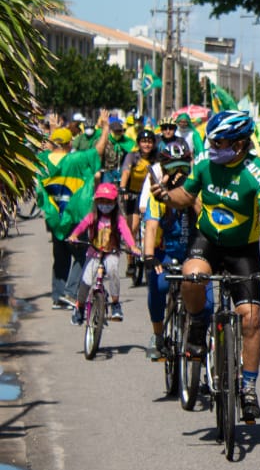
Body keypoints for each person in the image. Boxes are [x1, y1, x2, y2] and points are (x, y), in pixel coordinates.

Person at [152, 110, 260, 423]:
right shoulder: (204, 163)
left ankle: (249, 387)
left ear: (240, 144)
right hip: (208, 239)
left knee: (251, 319)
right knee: (192, 276)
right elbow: (185, 197)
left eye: (220, 141)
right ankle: (198, 323)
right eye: (211, 140)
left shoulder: (259, 173)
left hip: (243, 249)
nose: (213, 146)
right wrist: (166, 196)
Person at [141, 138, 211, 360]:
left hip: (195, 252)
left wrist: (188, 196)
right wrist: (149, 257)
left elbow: (204, 217)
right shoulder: (158, 195)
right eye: (172, 169)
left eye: (183, 168)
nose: (178, 174)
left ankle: (199, 340)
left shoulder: (197, 189)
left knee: (208, 302)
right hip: (167, 253)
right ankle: (158, 334)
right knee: (159, 285)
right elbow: (151, 228)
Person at [37, 114, 111, 309]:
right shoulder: (76, 159)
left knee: (60, 256)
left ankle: (58, 295)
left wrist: (52, 131)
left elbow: (48, 147)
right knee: (80, 256)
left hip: (54, 218)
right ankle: (70, 294)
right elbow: (98, 151)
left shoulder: (43, 160)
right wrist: (105, 129)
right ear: (70, 143)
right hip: (75, 217)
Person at [67, 183, 141, 324]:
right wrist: (74, 235)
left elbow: (126, 232)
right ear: (96, 202)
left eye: (108, 202)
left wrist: (132, 246)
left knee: (113, 271)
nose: (105, 205)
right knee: (86, 280)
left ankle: (115, 304)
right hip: (94, 253)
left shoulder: (118, 219)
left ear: (114, 202)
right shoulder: (92, 216)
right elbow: (82, 225)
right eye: (101, 201)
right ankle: (80, 307)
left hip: (111, 253)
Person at [120, 129, 158, 275]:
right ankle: (130, 262)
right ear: (138, 143)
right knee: (133, 227)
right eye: (143, 141)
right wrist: (123, 188)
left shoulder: (157, 158)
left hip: (150, 195)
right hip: (133, 195)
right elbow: (126, 172)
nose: (146, 145)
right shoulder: (132, 156)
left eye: (149, 142)